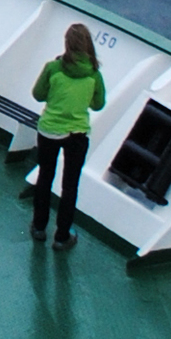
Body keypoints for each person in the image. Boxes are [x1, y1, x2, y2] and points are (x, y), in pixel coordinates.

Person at [28, 20, 107, 245]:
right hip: (77, 134)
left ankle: (39, 227)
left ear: (67, 44)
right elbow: (98, 104)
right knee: (70, 186)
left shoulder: (53, 68)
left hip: (50, 131)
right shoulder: (94, 75)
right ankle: (62, 237)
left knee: (45, 178)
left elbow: (38, 94)